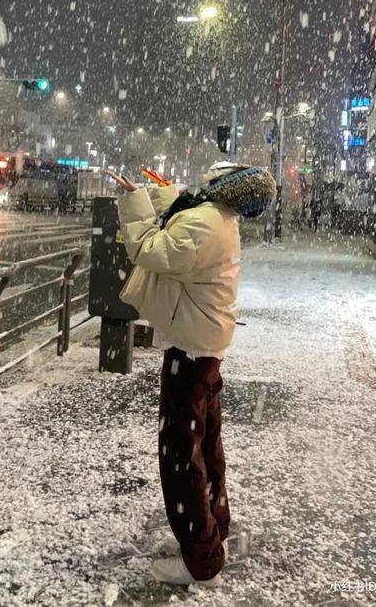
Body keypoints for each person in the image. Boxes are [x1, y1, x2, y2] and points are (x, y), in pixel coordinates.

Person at [107, 161, 276, 588]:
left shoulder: (206, 223)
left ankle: (200, 559)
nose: (208, 176)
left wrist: (133, 202)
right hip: (205, 344)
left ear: (225, 184)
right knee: (205, 440)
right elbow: (184, 212)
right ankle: (212, 525)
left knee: (181, 452)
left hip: (192, 349)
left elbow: (148, 248)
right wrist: (160, 191)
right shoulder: (217, 216)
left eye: (216, 173)